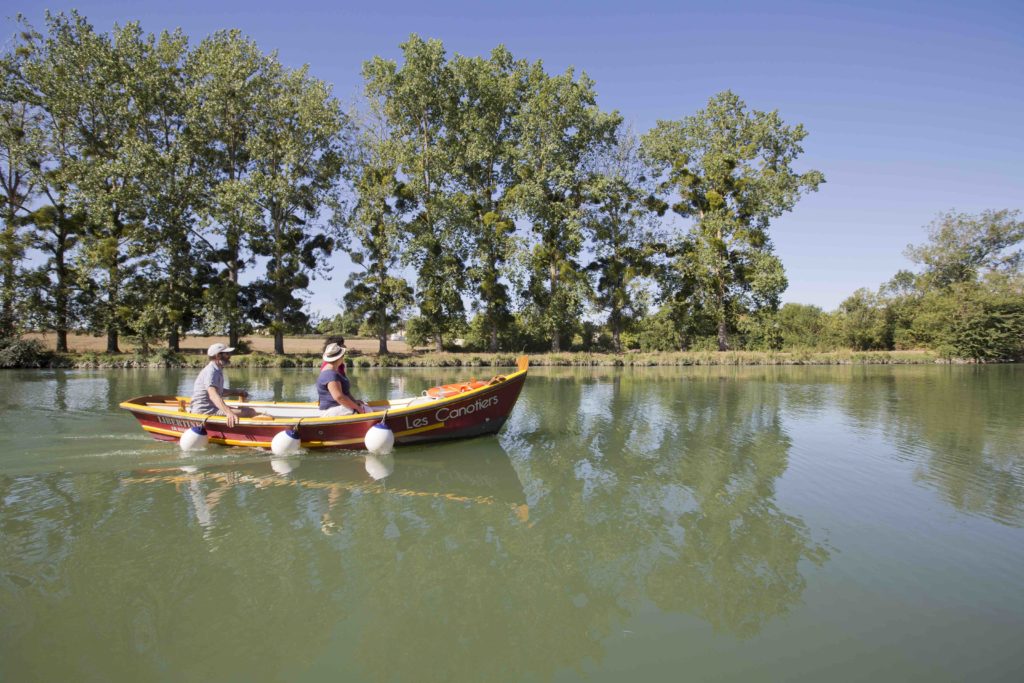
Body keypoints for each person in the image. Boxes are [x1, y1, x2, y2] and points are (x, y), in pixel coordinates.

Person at [190, 343, 257, 428]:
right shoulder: (211, 371)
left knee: (246, 411)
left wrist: (237, 392)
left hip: (212, 408)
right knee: (250, 412)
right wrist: (228, 413)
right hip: (205, 411)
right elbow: (213, 395)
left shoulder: (216, 369)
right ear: (218, 356)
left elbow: (219, 391)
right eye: (227, 354)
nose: (230, 356)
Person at [317, 343, 369, 416]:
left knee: (366, 407)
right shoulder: (330, 374)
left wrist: (354, 401)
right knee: (367, 410)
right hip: (332, 410)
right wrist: (357, 408)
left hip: (335, 408)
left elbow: (344, 393)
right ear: (340, 357)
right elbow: (339, 397)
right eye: (343, 355)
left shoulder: (331, 371)